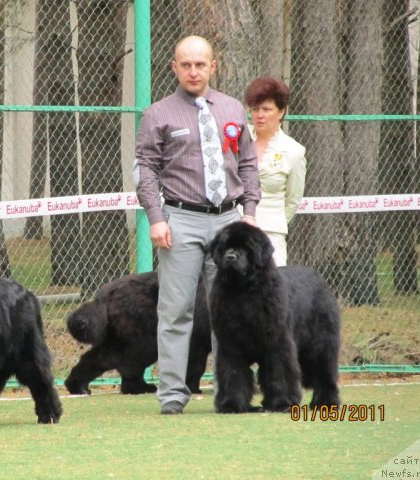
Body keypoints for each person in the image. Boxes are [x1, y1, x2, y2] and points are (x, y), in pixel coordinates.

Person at [135, 35, 260, 415]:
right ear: (173, 67)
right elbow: (145, 171)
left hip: (228, 223)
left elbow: (248, 164)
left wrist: (249, 212)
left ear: (213, 66)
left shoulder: (233, 108)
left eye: (200, 64)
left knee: (229, 312)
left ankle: (231, 395)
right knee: (176, 312)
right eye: (185, 64)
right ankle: (172, 397)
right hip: (181, 222)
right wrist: (156, 219)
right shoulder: (158, 114)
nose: (193, 71)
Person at [244, 76, 306, 266]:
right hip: (235, 229)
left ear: (281, 112)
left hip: (271, 234)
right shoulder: (237, 138)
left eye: (267, 109)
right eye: (255, 109)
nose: (260, 115)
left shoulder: (294, 151)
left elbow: (293, 199)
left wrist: (274, 223)